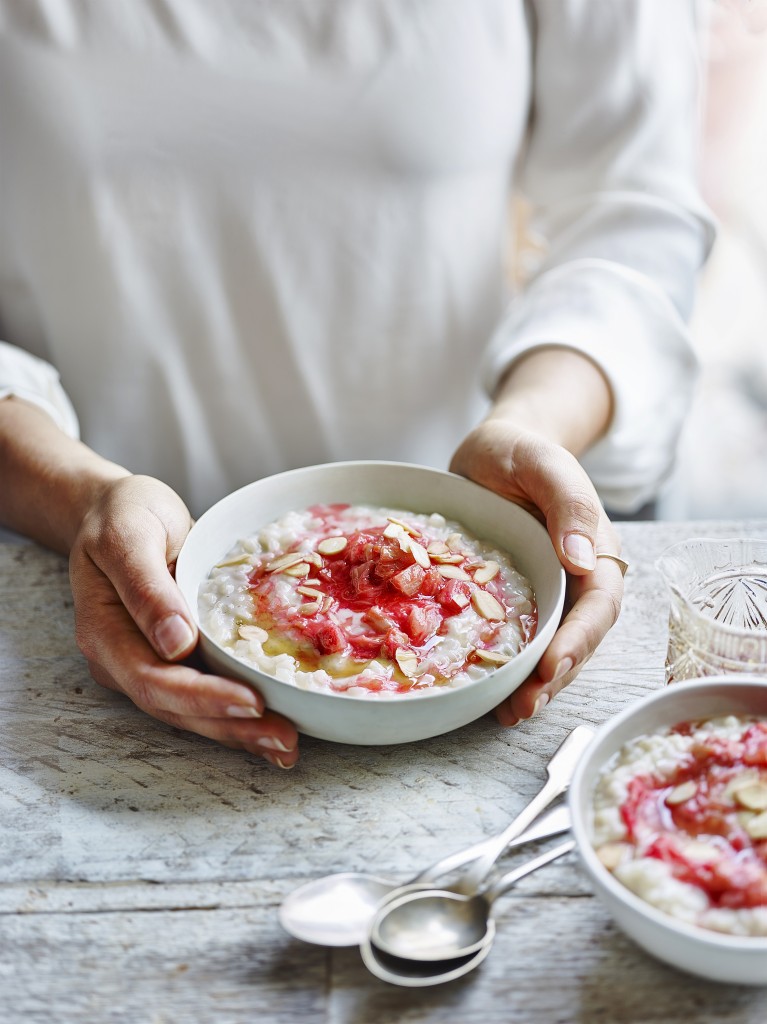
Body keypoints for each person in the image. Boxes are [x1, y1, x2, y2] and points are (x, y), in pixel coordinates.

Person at [0, 1, 713, 768]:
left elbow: (631, 214)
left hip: (471, 538)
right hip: (68, 564)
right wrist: (78, 497)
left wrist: (535, 426)